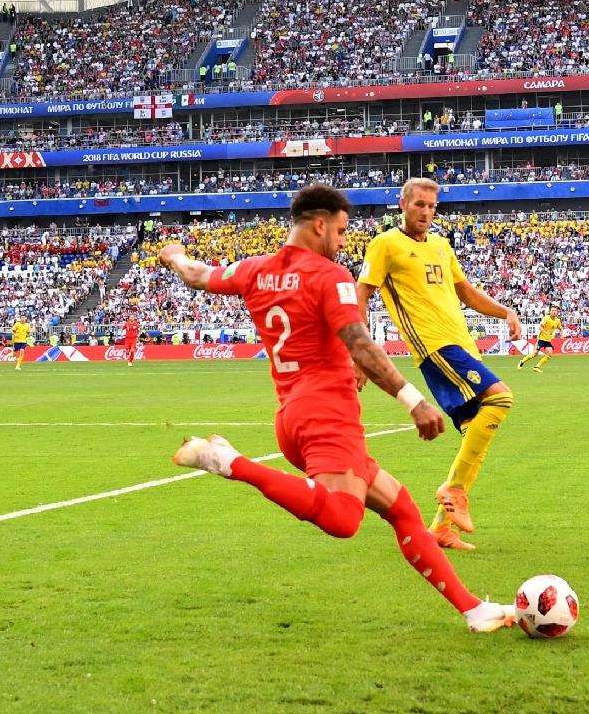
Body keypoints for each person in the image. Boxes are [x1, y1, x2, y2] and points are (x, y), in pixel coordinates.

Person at [156, 184, 516, 633]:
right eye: (342, 232)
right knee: (344, 519)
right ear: (320, 224)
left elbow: (197, 274)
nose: (344, 243)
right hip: (328, 415)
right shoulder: (329, 277)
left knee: (402, 508)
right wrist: (414, 399)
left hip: (292, 415)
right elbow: (359, 343)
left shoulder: (253, 270)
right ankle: (229, 462)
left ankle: (473, 609)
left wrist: (173, 256)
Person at [357, 177, 523, 553]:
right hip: (434, 347)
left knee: (476, 436)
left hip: (463, 345)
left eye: (432, 206)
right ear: (403, 203)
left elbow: (465, 292)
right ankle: (454, 490)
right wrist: (360, 353)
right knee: (500, 398)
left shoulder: (442, 246)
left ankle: (441, 528)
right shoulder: (385, 244)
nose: (427, 213)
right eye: (419, 205)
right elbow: (361, 294)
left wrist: (505, 311)